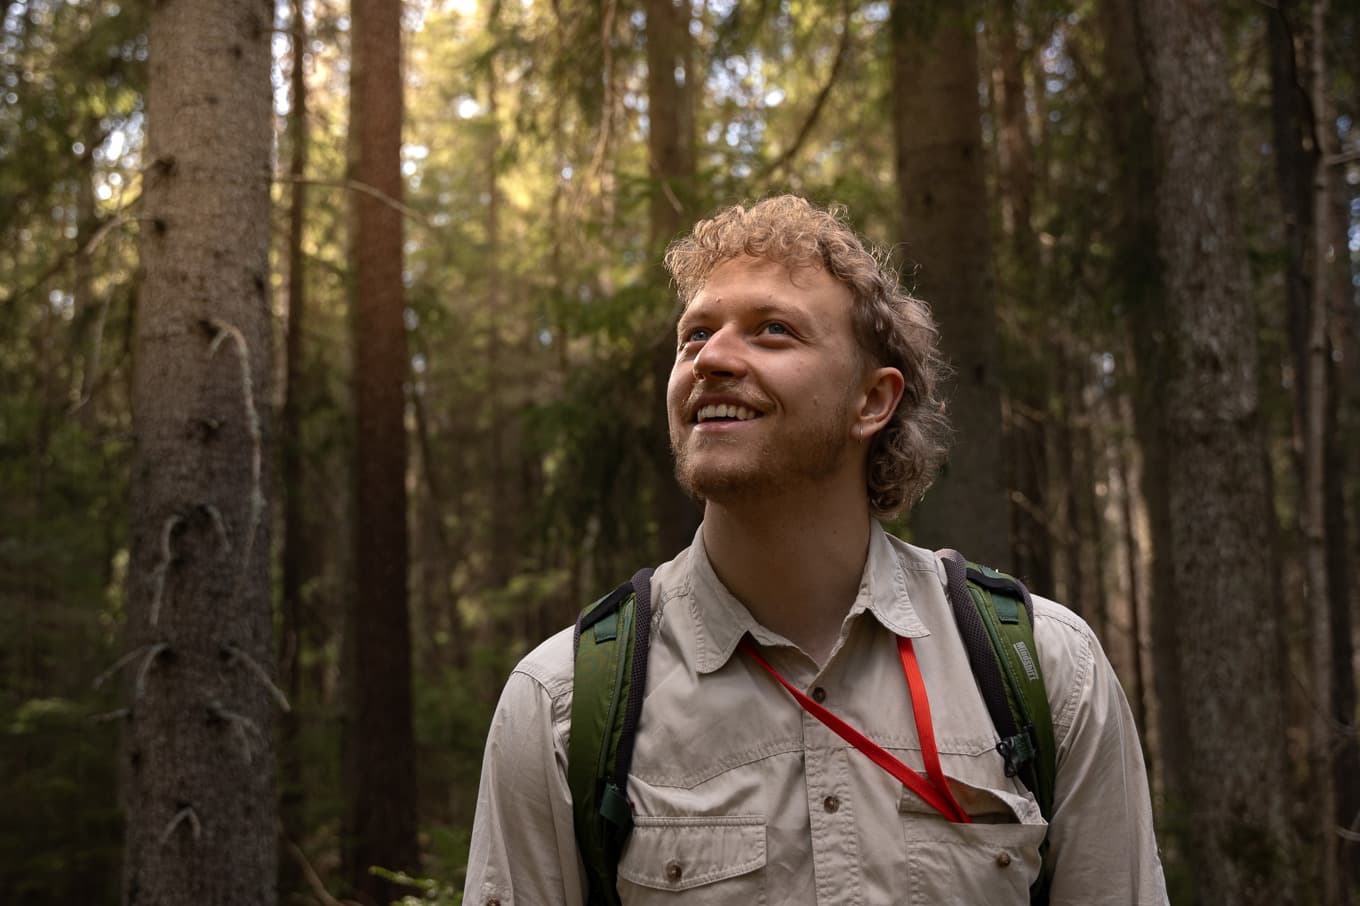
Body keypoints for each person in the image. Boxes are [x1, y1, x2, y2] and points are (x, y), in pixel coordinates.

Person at [464, 196, 1168, 904]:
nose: (711, 359)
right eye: (694, 335)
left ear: (872, 401)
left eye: (773, 330)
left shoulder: (1048, 670)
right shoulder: (563, 704)